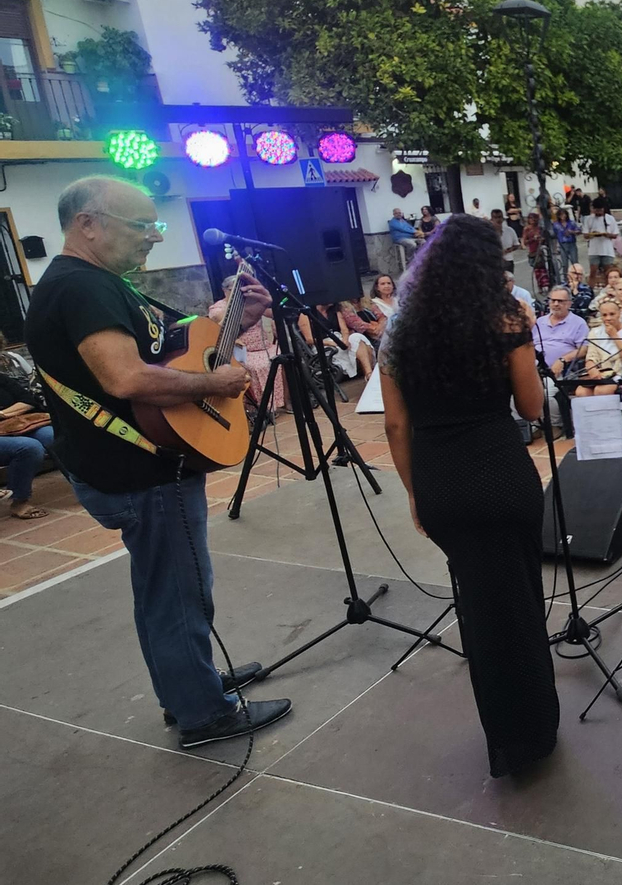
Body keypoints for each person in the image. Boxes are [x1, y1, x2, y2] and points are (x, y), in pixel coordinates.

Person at [28, 176, 291, 748]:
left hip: (137, 464)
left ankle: (187, 684)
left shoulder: (98, 283)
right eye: (141, 225)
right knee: (177, 591)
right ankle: (204, 713)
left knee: (163, 588)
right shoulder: (82, 288)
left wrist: (232, 323)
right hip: (139, 469)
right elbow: (127, 378)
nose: (153, 236)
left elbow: (161, 346)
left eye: (157, 225)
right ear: (88, 224)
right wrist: (216, 379)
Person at [379, 215, 557, 776]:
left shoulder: (401, 331)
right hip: (502, 476)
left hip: (442, 483)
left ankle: (504, 739)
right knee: (521, 605)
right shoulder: (505, 318)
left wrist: (414, 494)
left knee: (480, 610)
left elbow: (395, 427)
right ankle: (535, 733)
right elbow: (531, 409)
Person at [209, 273, 286, 417]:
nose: (240, 291)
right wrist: (234, 302)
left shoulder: (249, 303)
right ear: (225, 290)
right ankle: (264, 408)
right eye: (236, 289)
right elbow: (222, 321)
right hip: (243, 351)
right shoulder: (218, 308)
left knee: (286, 357)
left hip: (264, 346)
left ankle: (286, 402)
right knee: (259, 366)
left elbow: (272, 312)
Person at [0, 355, 56, 519]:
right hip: (10, 432)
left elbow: (27, 400)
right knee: (29, 447)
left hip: (18, 424)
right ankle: (19, 500)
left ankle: (86, 485)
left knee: (52, 436)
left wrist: (3, 414)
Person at [574, 299, 622, 398]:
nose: (608, 318)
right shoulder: (595, 332)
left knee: (601, 390)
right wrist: (592, 370)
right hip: (604, 374)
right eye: (604, 315)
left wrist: (614, 335)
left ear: (619, 313)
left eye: (612, 314)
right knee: (581, 392)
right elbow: (591, 357)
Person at [301, 302, 375, 379]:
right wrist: (332, 343)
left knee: (357, 337)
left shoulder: (335, 310)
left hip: (338, 338)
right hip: (322, 343)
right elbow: (309, 340)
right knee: (352, 348)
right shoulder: (306, 314)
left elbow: (344, 330)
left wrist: (345, 340)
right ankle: (369, 374)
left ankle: (368, 373)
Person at [581, 200, 619, 286]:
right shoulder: (589, 219)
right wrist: (593, 234)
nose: (598, 212)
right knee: (593, 272)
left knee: (608, 273)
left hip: (607, 250)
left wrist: (606, 235)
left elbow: (615, 234)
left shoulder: (610, 218)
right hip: (594, 250)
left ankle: (609, 289)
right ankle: (590, 291)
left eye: (600, 210)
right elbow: (585, 235)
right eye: (596, 210)